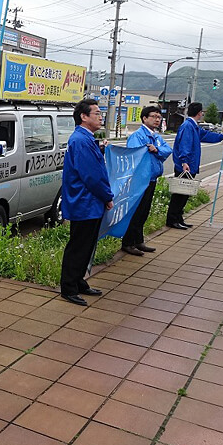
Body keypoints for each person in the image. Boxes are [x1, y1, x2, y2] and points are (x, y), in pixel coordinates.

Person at [60, 99, 114, 306]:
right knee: (79, 246)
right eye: (97, 113)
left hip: (88, 202)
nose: (101, 117)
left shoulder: (86, 138)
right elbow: (91, 176)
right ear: (84, 116)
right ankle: (69, 288)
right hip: (85, 202)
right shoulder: (81, 140)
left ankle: (78, 281)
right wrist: (107, 196)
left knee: (87, 244)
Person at [122, 106, 173, 255]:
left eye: (159, 117)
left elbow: (167, 150)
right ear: (144, 118)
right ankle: (128, 242)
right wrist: (153, 150)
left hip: (151, 179)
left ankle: (138, 240)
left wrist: (156, 150)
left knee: (144, 211)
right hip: (140, 180)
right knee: (136, 211)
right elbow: (135, 156)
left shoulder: (156, 137)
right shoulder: (138, 136)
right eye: (153, 116)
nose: (157, 119)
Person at [166, 102, 223, 229]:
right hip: (186, 165)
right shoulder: (188, 126)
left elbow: (205, 135)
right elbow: (185, 145)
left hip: (189, 164)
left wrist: (221, 136)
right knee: (179, 194)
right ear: (199, 113)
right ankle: (172, 219)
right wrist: (184, 161)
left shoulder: (193, 126)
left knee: (184, 193)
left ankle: (178, 218)